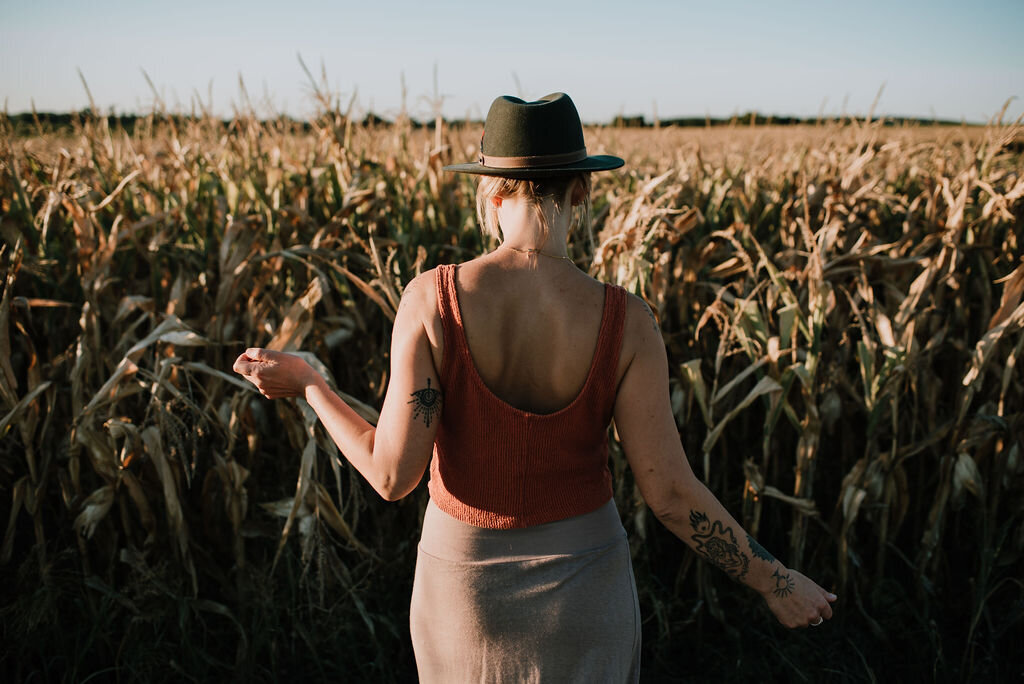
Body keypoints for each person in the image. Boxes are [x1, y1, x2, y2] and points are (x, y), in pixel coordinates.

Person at [233, 92, 837, 682]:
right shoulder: (629, 321)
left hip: (466, 595)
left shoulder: (430, 300)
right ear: (582, 189)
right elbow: (672, 494)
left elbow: (392, 477)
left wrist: (312, 384)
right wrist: (776, 582)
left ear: (490, 191)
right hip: (587, 593)